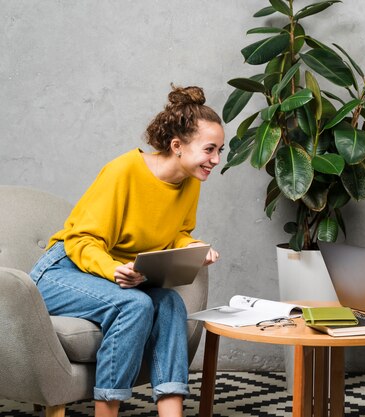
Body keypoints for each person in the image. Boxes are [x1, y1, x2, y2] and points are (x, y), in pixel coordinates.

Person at [29, 85, 224, 417]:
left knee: (172, 305)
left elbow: (177, 231)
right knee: (134, 305)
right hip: (61, 272)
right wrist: (111, 270)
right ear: (177, 146)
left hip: (118, 276)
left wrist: (191, 246)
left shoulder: (190, 180)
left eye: (220, 150)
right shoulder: (123, 171)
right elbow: (81, 241)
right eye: (210, 150)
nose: (216, 160)